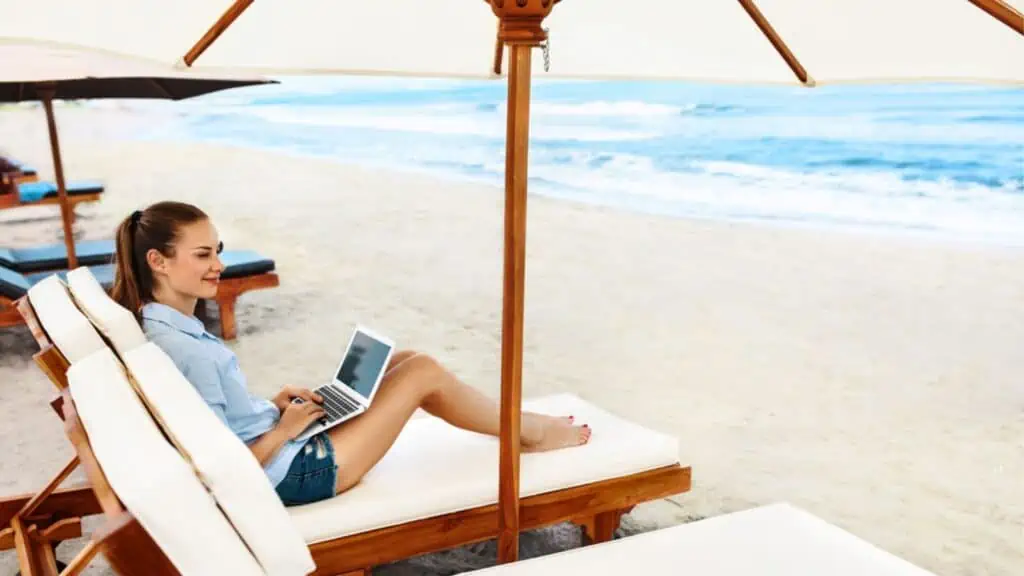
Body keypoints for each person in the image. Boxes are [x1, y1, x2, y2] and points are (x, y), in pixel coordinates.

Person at [110, 201, 591, 506]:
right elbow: (216, 467)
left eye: (217, 250)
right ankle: (531, 431)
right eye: (202, 255)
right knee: (422, 372)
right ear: (158, 261)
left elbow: (219, 419)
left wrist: (270, 406)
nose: (219, 265)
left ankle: (520, 427)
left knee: (405, 359)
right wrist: (283, 431)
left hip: (286, 446)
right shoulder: (180, 348)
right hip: (297, 473)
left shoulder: (166, 326)